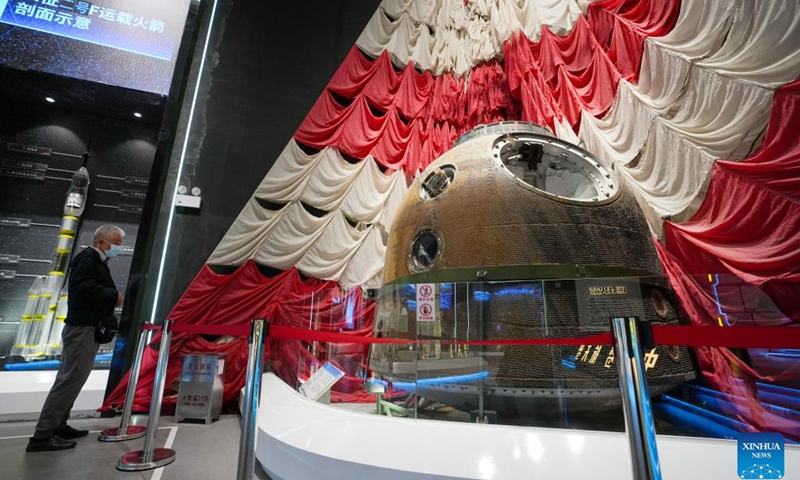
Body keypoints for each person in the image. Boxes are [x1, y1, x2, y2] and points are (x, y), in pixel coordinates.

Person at [26, 225, 125, 452]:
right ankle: (42, 435)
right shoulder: (87, 259)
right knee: (68, 380)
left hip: (88, 329)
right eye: (116, 242)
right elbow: (83, 287)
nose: (119, 247)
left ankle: (59, 425)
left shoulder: (96, 261)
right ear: (102, 242)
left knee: (75, 380)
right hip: (81, 329)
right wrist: (113, 296)